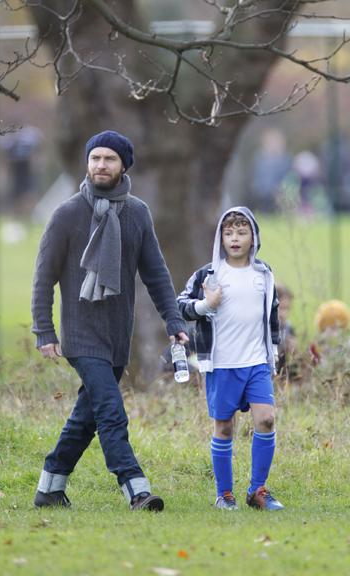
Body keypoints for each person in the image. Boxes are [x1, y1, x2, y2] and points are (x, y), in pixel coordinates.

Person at [31, 130, 188, 511]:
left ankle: (49, 488)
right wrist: (44, 330)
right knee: (110, 411)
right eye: (95, 158)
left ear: (123, 166)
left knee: (87, 417)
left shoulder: (137, 213)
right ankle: (135, 488)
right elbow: (44, 275)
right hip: (80, 336)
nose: (101, 165)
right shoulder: (67, 214)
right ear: (87, 163)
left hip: (118, 336)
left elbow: (156, 273)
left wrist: (174, 320)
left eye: (109, 159)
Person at [177, 207, 284, 511]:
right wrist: (205, 304)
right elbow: (180, 306)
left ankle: (257, 491)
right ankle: (224, 495)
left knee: (266, 419)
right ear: (220, 238)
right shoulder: (208, 275)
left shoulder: (264, 274)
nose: (235, 239)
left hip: (257, 364)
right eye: (228, 233)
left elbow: (272, 317)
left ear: (253, 238)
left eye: (241, 232)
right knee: (224, 427)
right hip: (222, 365)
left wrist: (272, 354)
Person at [276, 283, 297, 375]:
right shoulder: (262, 329)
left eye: (287, 309)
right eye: (280, 308)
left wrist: (293, 350)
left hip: (281, 377)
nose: (283, 314)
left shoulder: (288, 328)